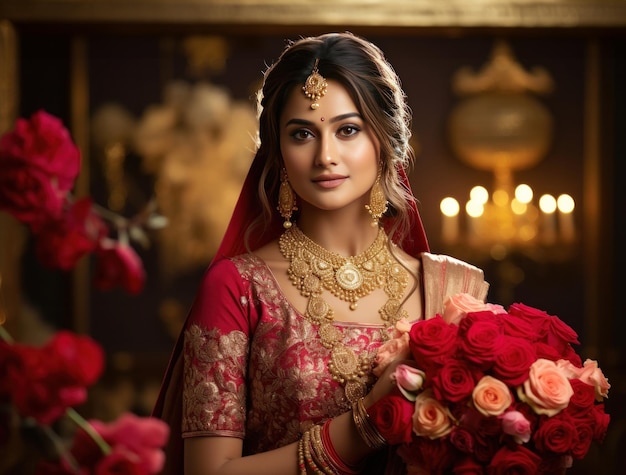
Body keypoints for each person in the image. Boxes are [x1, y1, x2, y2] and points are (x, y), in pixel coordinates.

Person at [153, 31, 489, 475]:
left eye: (348, 130)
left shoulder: (450, 289)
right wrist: (366, 423)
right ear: (277, 152)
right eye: (302, 134)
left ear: (384, 142)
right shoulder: (238, 288)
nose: (325, 156)